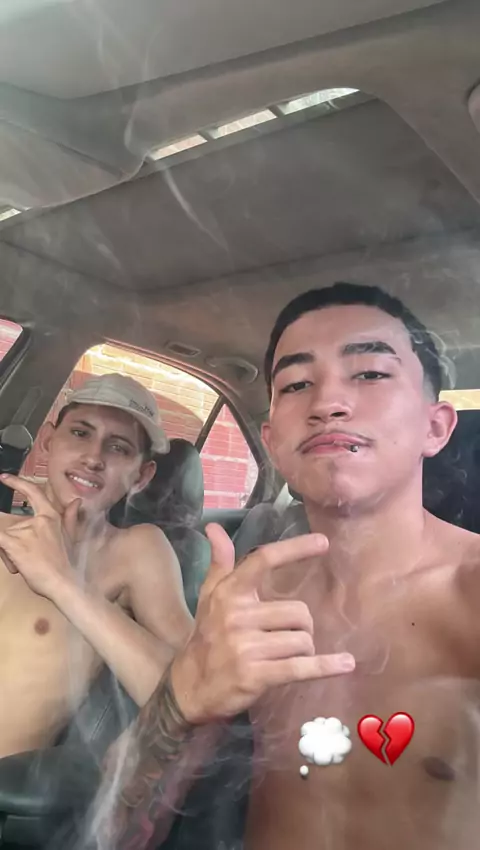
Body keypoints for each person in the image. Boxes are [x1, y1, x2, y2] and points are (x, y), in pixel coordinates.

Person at [98, 282, 480, 850]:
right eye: (297, 384)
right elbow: (121, 835)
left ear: (436, 427)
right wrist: (182, 696)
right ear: (273, 442)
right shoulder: (252, 598)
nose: (327, 403)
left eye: (370, 373)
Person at [0, 373, 193, 758]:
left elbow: (194, 695)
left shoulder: (135, 550)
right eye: (80, 433)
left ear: (141, 476)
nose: (93, 458)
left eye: (118, 447)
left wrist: (62, 581)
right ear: (47, 441)